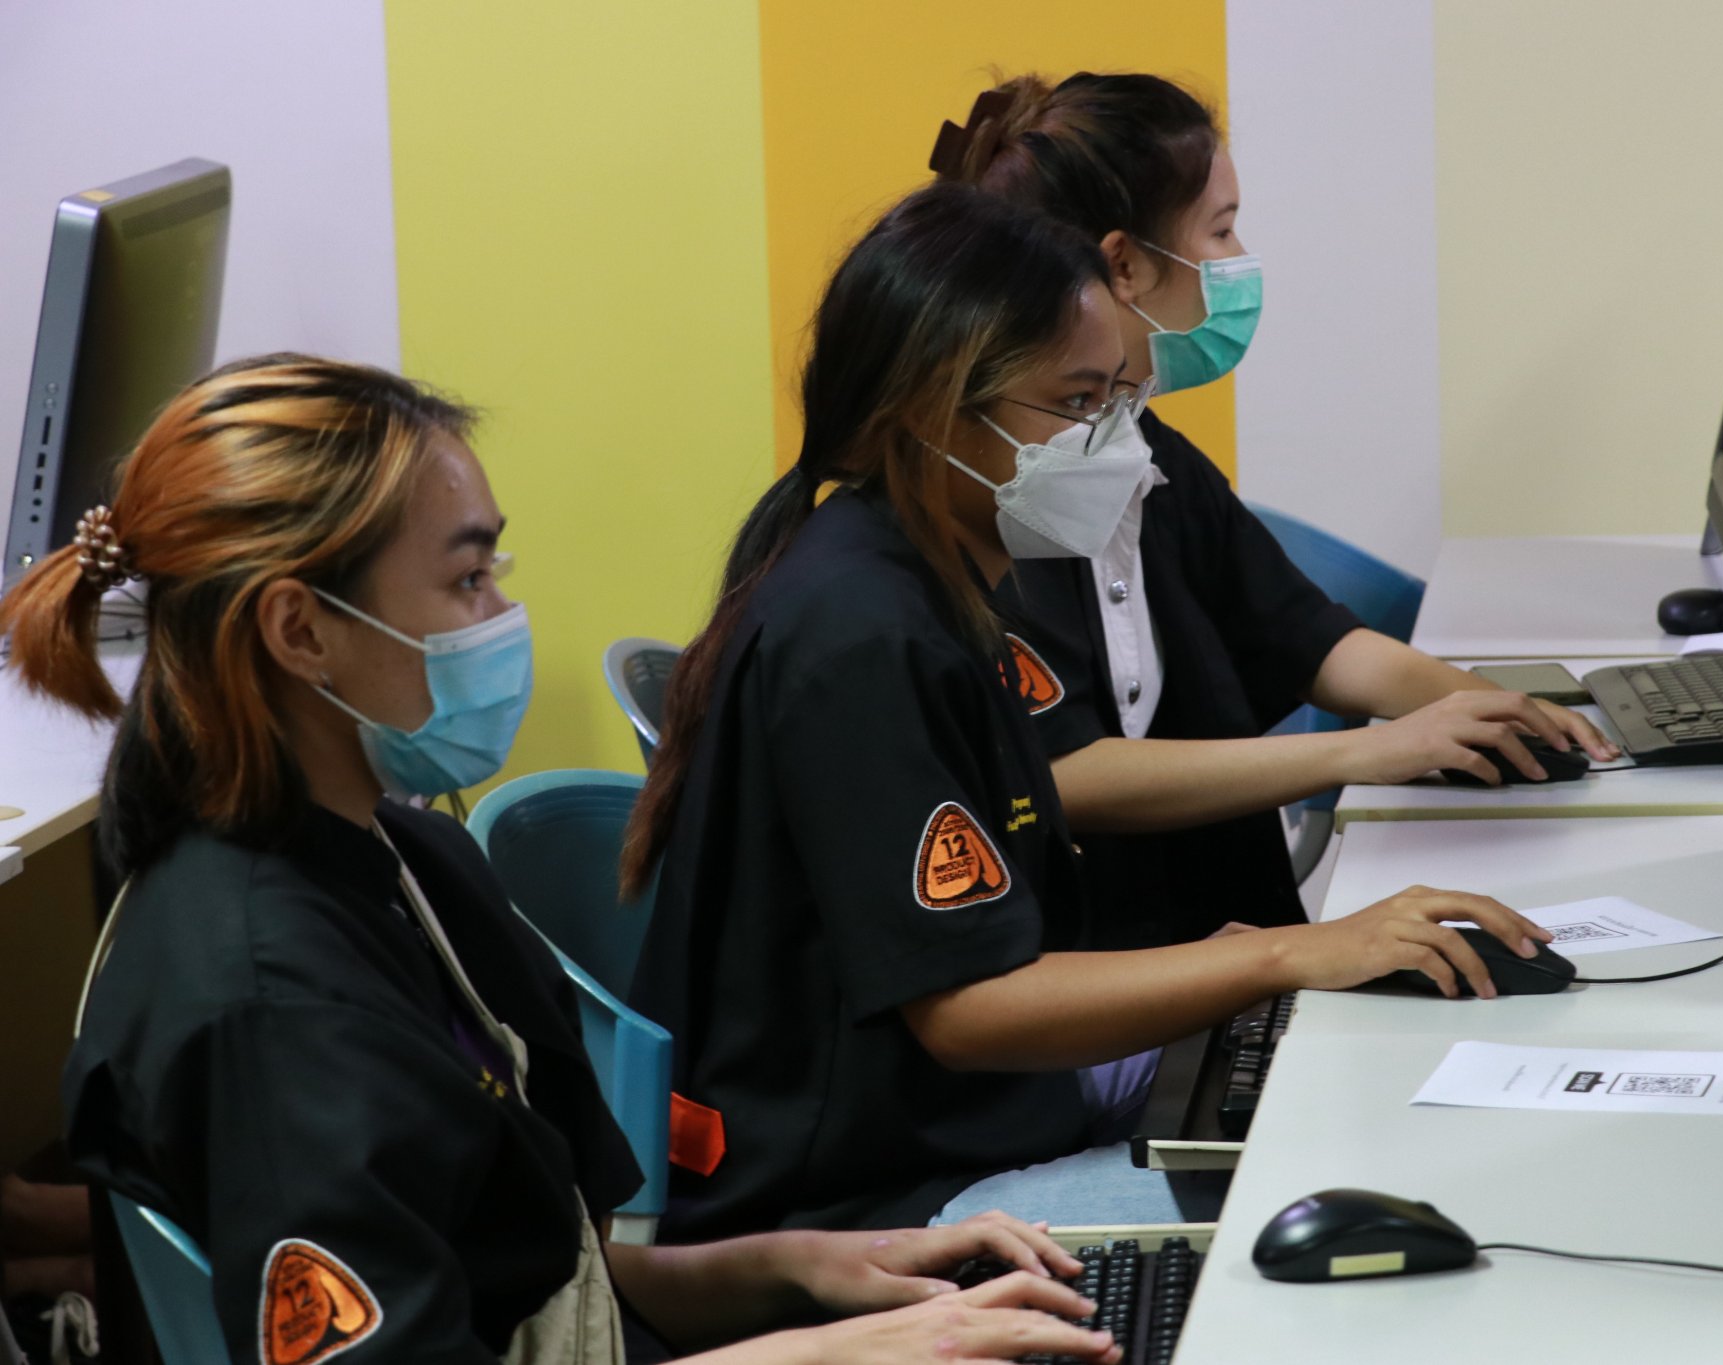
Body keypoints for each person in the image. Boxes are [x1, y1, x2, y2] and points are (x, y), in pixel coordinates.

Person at [0, 355, 1120, 1365]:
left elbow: (539, 1282)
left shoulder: (402, 857)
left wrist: (809, 1270)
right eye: (466, 581)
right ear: (300, 631)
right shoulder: (274, 1010)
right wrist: (832, 1354)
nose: (503, 615)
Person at [621, 183, 1550, 1242]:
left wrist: (1253, 962)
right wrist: (1283, 956)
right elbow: (969, 1009)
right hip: (873, 1192)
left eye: (1118, 398)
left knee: (1370, 1062)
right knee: (1349, 1144)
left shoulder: (939, 578)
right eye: (1076, 405)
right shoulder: (862, 634)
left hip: (969, 1108)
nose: (1118, 443)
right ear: (931, 413)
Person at [930, 73, 1619, 948]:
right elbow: (1062, 772)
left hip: (1209, 932)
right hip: (1114, 954)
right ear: (1123, 266)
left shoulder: (1141, 447)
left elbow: (1306, 636)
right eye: (1220, 231)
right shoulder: (1019, 492)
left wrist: (1497, 712)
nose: (1239, 259)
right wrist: (1366, 751)